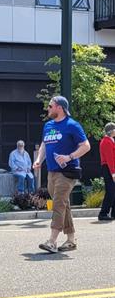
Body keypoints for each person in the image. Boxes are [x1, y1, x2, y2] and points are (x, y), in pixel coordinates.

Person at [33, 96, 91, 253]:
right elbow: (45, 144)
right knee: (63, 204)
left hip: (67, 172)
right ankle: (71, 240)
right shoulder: (48, 125)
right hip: (51, 172)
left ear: (59, 107)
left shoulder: (72, 125)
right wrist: (39, 160)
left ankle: (52, 241)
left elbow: (86, 146)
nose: (48, 109)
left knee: (58, 203)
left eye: (50, 106)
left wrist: (69, 156)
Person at [98, 122, 115, 221]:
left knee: (113, 191)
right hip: (108, 168)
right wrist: (113, 173)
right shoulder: (106, 142)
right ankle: (103, 213)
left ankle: (113, 213)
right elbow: (110, 158)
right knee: (110, 191)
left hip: (110, 168)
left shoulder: (110, 140)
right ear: (111, 131)